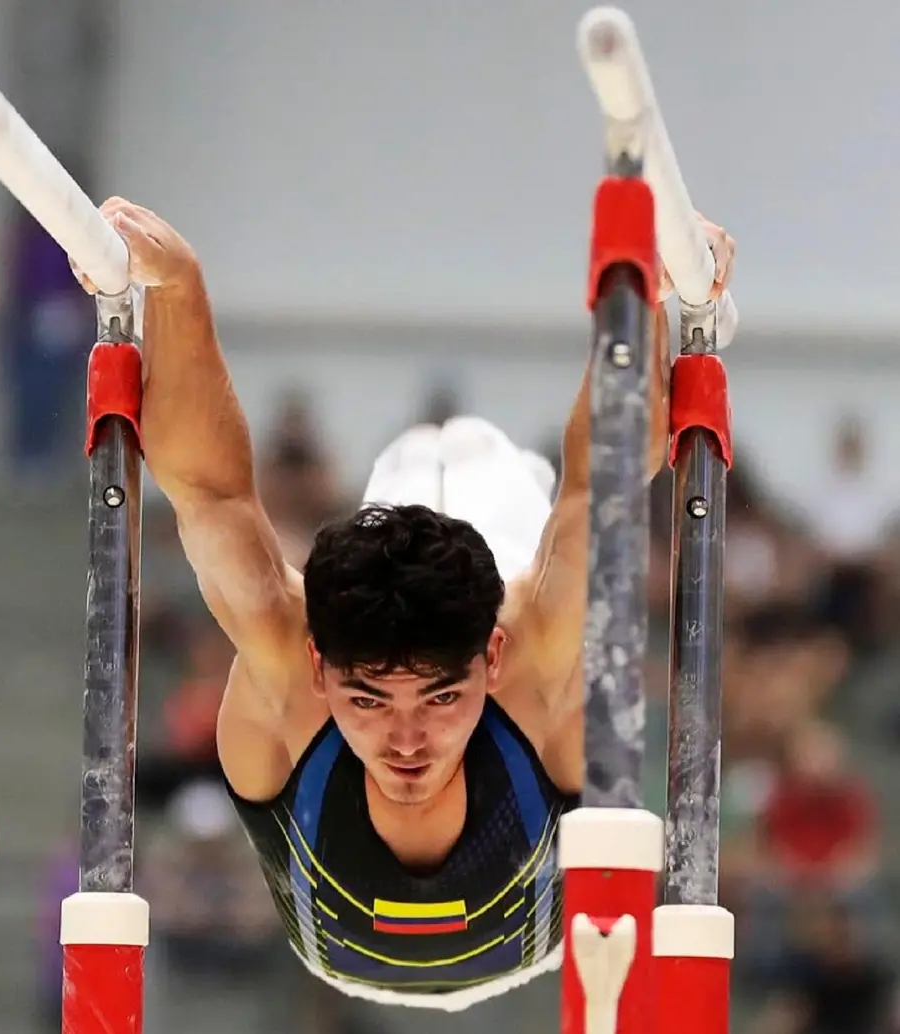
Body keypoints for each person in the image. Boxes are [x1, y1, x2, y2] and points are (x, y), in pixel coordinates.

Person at [73, 197, 735, 1008]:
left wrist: (650, 297)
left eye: (442, 696)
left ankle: (454, 457)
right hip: (358, 947)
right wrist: (174, 284)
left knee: (512, 510)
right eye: (369, 698)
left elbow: (604, 482)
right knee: (433, 489)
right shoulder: (290, 669)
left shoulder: (527, 658)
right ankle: (434, 459)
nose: (408, 738)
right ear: (322, 669)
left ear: (490, 660)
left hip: (538, 938)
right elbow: (207, 496)